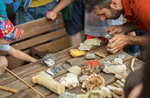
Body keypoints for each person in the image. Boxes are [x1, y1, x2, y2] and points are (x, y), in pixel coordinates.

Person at [83, 0, 150, 53]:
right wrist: (124, 28)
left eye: (103, 14)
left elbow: (145, 16)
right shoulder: (127, 4)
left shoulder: (142, 7)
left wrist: (128, 40)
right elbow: (143, 22)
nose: (102, 19)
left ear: (114, 3)